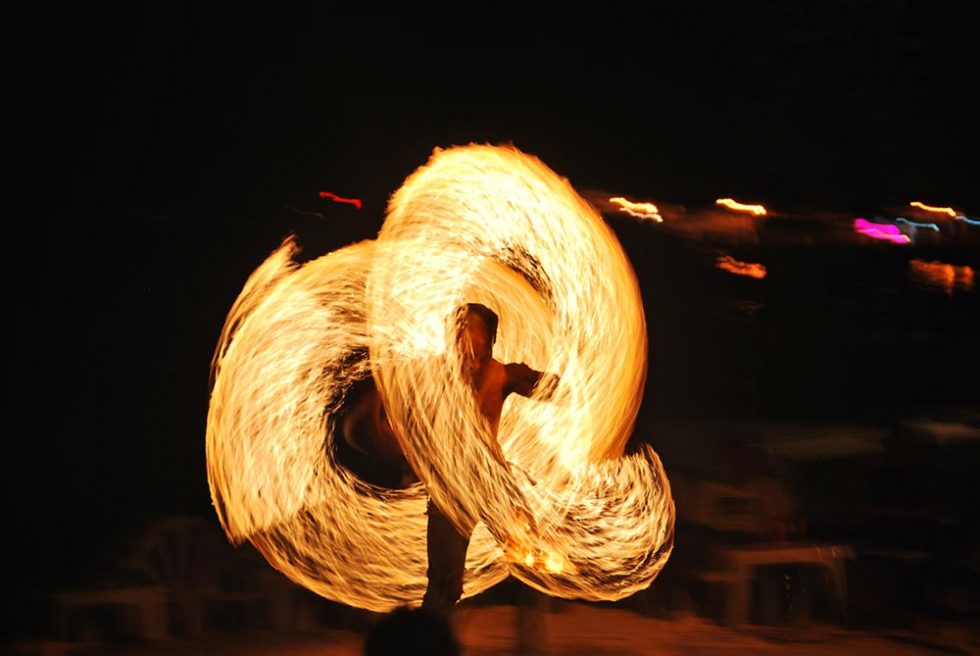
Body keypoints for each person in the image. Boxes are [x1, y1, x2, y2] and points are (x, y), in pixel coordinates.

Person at [339, 303, 557, 615]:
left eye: (472, 337)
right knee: (444, 587)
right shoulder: (429, 377)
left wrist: (583, 388)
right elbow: (365, 423)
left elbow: (553, 389)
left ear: (490, 343)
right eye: (456, 335)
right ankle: (428, 642)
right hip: (449, 490)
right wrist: (404, 454)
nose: (463, 344)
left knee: (532, 557)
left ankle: (532, 634)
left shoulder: (502, 375)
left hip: (492, 482)